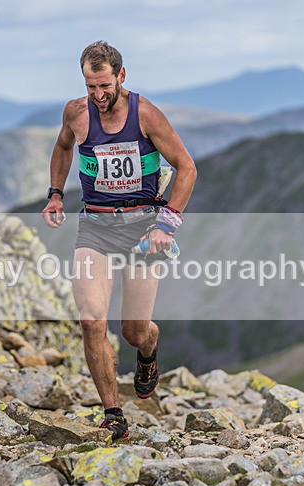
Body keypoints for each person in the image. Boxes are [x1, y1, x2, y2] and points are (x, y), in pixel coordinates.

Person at [42, 41, 197, 441]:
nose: (98, 95)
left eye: (105, 86)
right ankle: (113, 414)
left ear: (121, 76)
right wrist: (56, 193)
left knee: (133, 331)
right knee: (92, 319)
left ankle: (149, 350)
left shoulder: (145, 114)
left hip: (144, 229)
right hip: (95, 227)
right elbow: (62, 147)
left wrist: (167, 224)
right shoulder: (76, 113)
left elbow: (187, 168)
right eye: (91, 87)